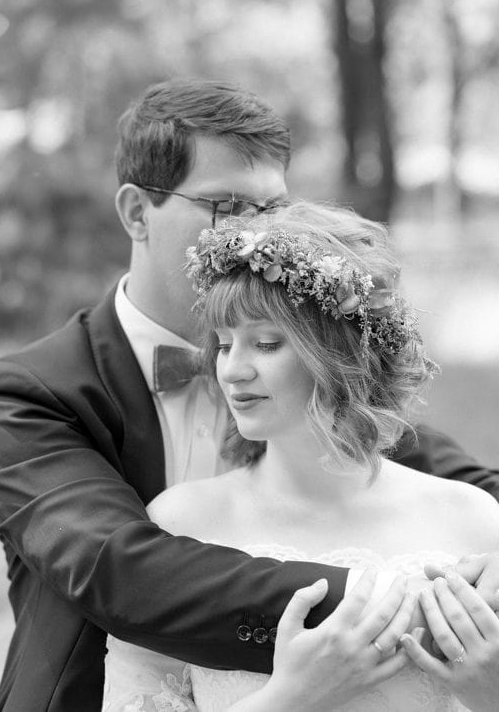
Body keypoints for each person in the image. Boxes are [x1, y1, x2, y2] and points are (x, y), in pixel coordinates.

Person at [0, 79, 499, 711]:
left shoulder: (323, 394)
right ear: (136, 212)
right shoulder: (31, 396)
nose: (249, 237)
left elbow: (455, 485)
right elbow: (119, 571)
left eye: (271, 211)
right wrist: (411, 607)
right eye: (226, 208)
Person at [101, 202, 499, 710]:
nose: (232, 370)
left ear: (340, 353)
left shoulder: (475, 520)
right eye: (224, 345)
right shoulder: (180, 526)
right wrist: (291, 698)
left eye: (265, 343)